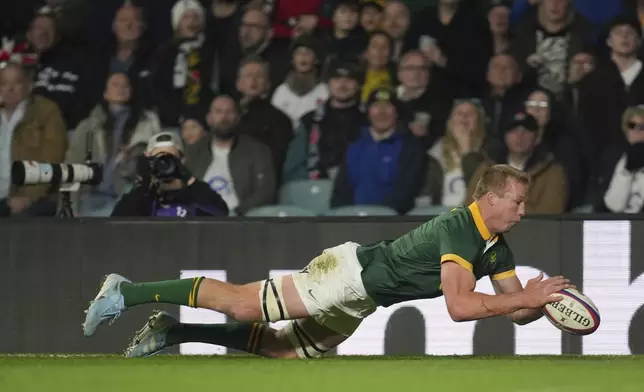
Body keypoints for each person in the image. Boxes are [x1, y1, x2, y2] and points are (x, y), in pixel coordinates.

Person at [83, 165, 573, 358]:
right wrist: (528, 296)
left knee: (282, 351)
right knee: (243, 306)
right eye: (518, 202)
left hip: (364, 301)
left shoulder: (497, 249)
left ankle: (174, 331)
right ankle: (124, 291)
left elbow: (515, 310)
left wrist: (547, 304)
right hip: (348, 277)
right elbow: (460, 308)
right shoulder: (458, 227)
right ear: (489, 199)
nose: (524, 211)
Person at [110, 132, 228, 217]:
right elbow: (118, 223)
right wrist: (146, 183)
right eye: (159, 159)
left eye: (170, 158)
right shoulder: (142, 196)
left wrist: (188, 178)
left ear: (182, 160)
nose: (164, 164)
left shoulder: (195, 193)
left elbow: (221, 213)